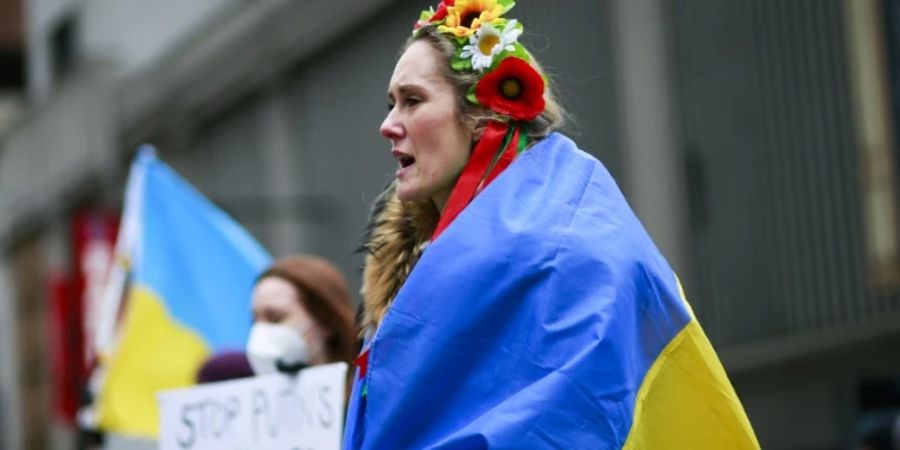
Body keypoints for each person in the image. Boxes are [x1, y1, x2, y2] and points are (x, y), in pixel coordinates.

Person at [344, 1, 759, 449]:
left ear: (484, 113)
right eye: (392, 104)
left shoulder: (576, 247)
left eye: (413, 101)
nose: (388, 125)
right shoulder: (407, 267)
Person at [245, 255, 356, 377]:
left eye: (275, 318)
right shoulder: (244, 392)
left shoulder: (366, 392)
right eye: (254, 321)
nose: (261, 330)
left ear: (325, 320)